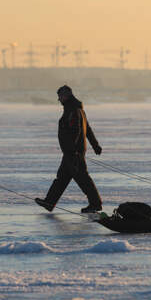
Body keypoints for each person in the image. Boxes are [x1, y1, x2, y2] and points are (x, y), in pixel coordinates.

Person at [35, 85, 103, 213]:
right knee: (62, 178)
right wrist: (95, 146)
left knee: (83, 178)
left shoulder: (72, 110)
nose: (59, 100)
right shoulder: (77, 109)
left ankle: (95, 204)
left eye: (60, 97)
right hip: (72, 152)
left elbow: (76, 131)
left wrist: (73, 152)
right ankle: (49, 202)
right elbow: (87, 129)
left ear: (66, 96)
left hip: (73, 153)